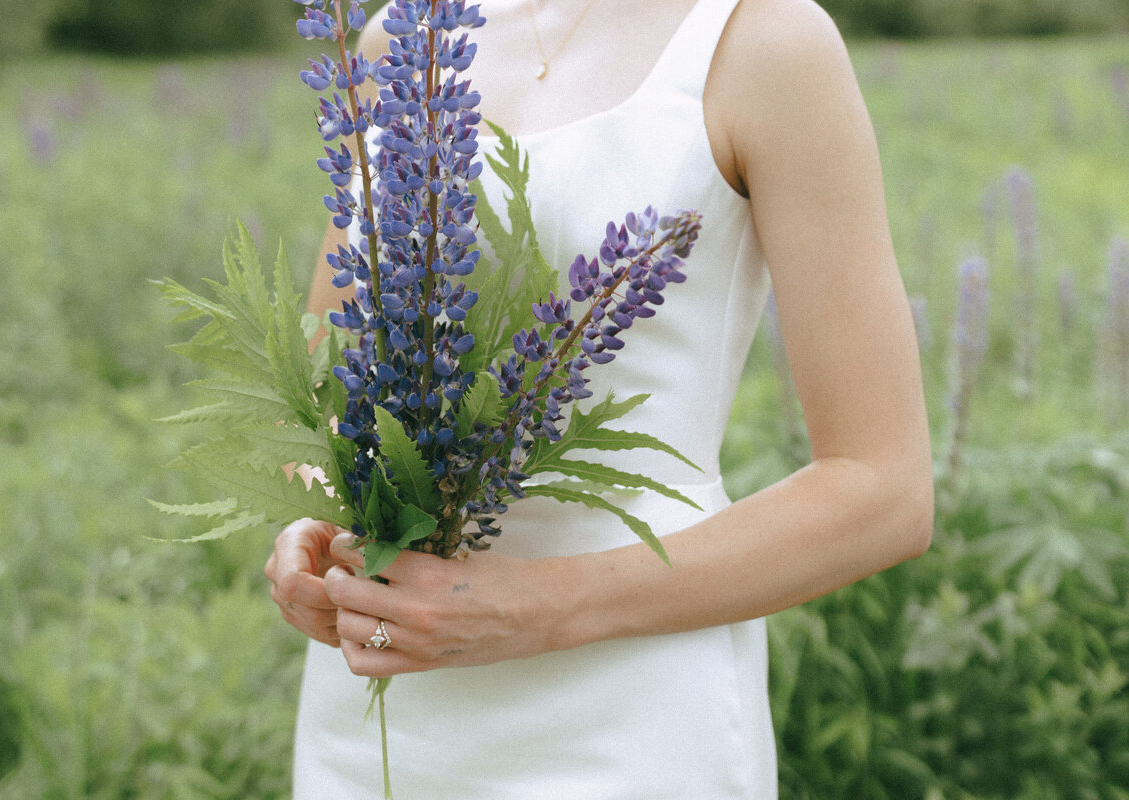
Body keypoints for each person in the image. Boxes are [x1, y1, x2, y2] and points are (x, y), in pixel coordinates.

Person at [265, 0, 933, 796]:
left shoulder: (763, 43)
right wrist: (317, 525)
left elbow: (883, 488)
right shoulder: (399, 37)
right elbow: (318, 383)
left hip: (625, 709)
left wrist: (537, 607)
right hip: (377, 699)